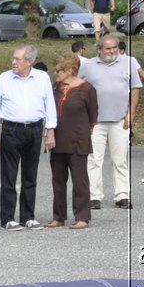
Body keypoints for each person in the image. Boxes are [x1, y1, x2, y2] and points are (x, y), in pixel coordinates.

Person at [0, 44, 57, 230]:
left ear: (29, 61)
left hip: (34, 129)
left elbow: (50, 104)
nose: (13, 62)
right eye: (13, 58)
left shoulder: (42, 78)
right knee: (9, 175)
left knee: (30, 175)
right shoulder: (4, 78)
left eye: (17, 59)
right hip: (11, 130)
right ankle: (7, 217)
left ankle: (28, 216)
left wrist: (51, 131)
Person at [80, 34, 144, 210]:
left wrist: (131, 113)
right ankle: (94, 196)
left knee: (120, 159)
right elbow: (77, 86)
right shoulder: (88, 65)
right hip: (94, 122)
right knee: (94, 159)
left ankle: (122, 195)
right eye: (108, 48)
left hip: (120, 120)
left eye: (114, 47)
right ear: (99, 49)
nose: (112, 51)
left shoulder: (127, 62)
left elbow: (136, 88)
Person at [46, 52, 98, 229]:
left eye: (59, 70)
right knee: (58, 180)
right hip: (57, 140)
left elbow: (93, 115)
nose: (56, 73)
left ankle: (82, 216)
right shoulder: (55, 87)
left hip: (77, 140)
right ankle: (58, 216)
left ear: (70, 70)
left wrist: (84, 131)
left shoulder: (87, 88)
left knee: (80, 179)